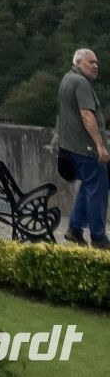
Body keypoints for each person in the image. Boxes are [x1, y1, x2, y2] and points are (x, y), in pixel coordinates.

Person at [57, 48, 110, 248]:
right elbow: (87, 115)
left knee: (90, 186)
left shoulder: (67, 79)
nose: (96, 66)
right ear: (79, 63)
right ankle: (98, 237)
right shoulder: (80, 83)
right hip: (86, 148)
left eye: (96, 62)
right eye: (90, 62)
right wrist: (100, 146)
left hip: (70, 146)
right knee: (97, 189)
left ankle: (75, 229)